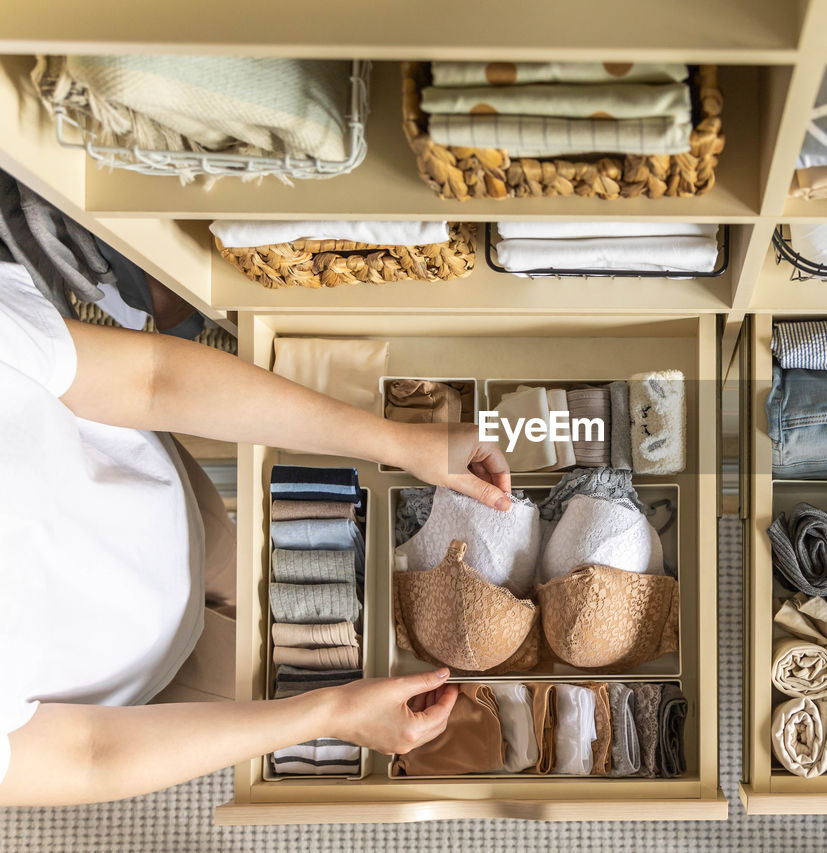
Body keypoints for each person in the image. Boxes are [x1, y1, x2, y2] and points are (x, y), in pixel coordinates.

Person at [0, 261, 513, 806]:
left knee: (258, 580)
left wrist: (399, 443)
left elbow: (152, 380)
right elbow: (87, 759)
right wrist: (330, 713)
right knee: (275, 677)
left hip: (170, 506)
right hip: (135, 697)